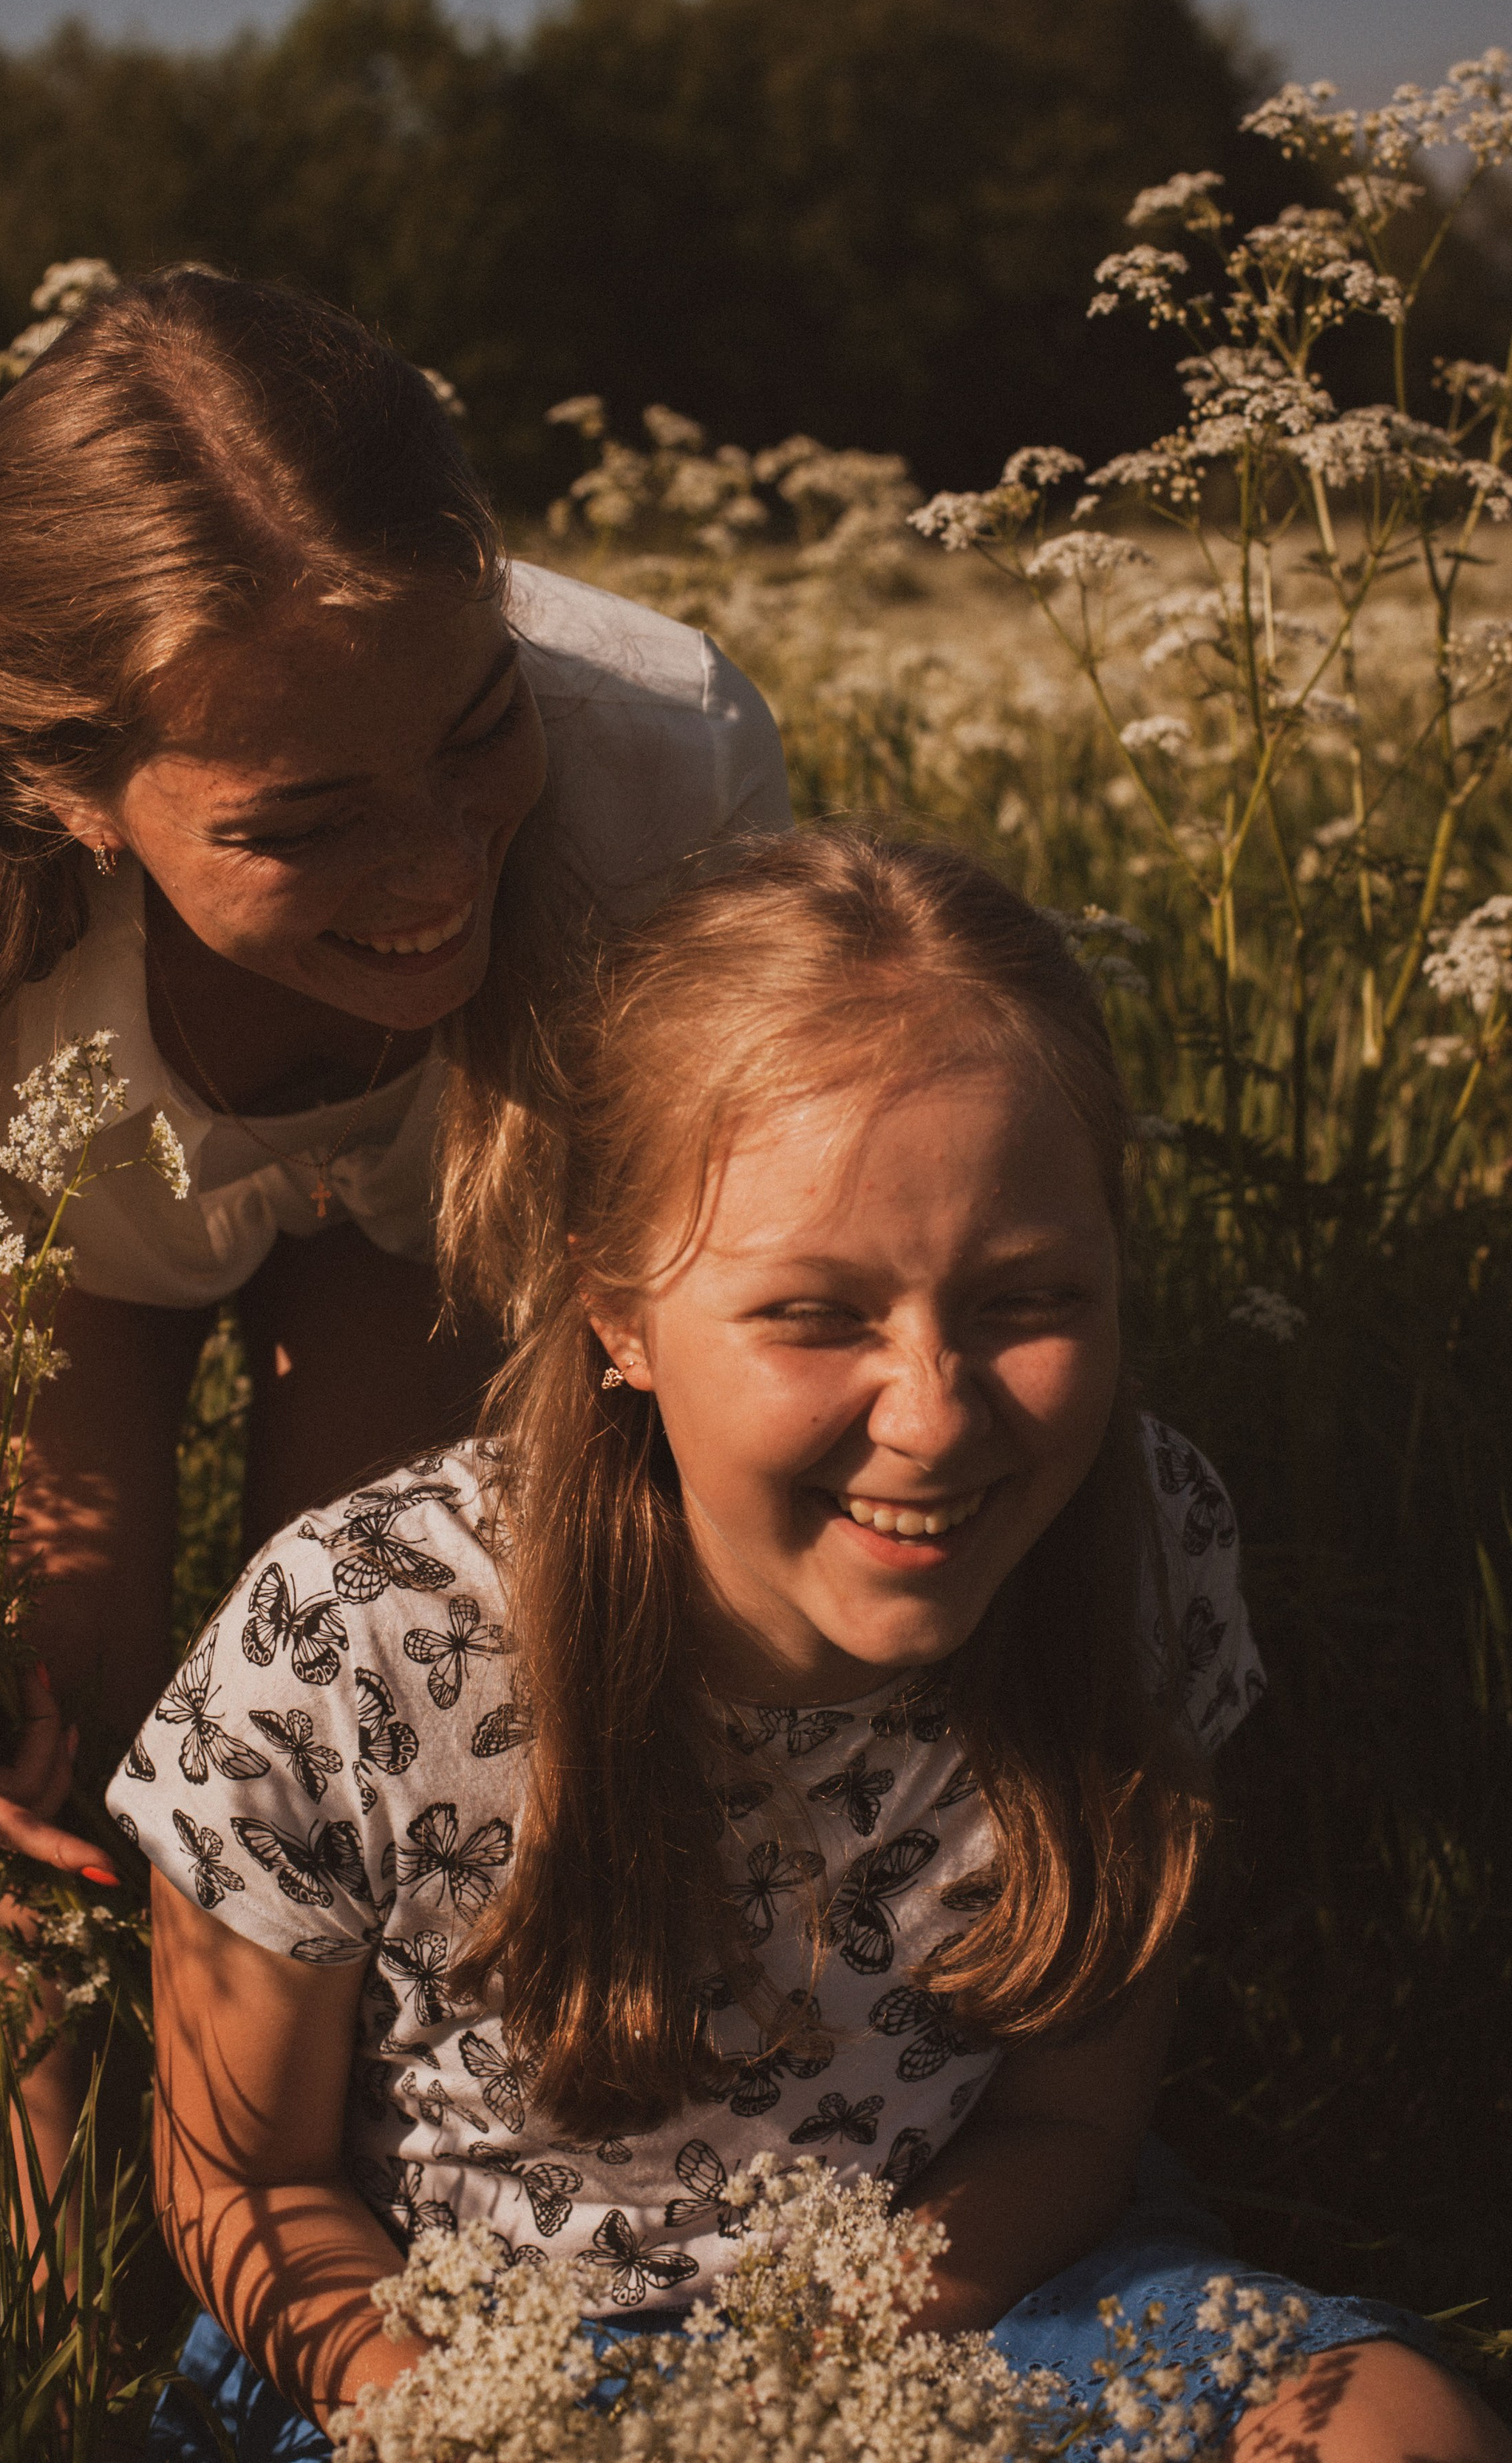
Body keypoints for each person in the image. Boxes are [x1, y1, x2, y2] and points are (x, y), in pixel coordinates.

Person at [129, 828, 1506, 2462]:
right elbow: (245, 2182)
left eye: (1024, 1300)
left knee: (1396, 2427)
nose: (932, 1415)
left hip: (960, 2287)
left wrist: (823, 2390)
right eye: (813, 1313)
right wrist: (458, 2414)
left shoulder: (1133, 1542)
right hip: (454, 2357)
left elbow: (1069, 2121)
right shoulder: (354, 1638)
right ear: (616, 1311)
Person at [0, 266, 791, 2198]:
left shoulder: (664, 759)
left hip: (432, 1198)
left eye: (478, 733)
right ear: (74, 795)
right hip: (58, 1227)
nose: (444, 865)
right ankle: (57, 2336)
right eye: (302, 825)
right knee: (41, 1714)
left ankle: (333, 2220)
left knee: (406, 1687)